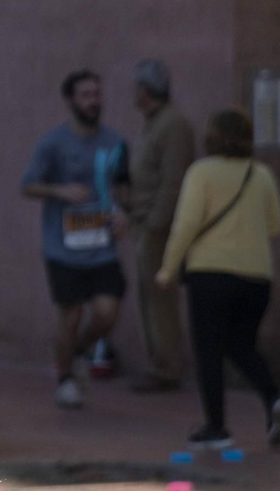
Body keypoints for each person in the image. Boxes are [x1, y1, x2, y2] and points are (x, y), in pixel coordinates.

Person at [157, 108, 280, 449]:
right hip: (257, 278)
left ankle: (216, 429)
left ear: (212, 138)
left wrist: (168, 269)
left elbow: (185, 225)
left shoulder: (201, 173)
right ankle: (274, 399)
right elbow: (276, 225)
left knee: (209, 351)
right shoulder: (261, 175)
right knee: (242, 344)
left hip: (210, 275)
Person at [21, 70, 129, 408]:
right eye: (85, 95)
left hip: (102, 247)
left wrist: (124, 213)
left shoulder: (114, 142)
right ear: (70, 101)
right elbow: (28, 185)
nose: (93, 101)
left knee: (107, 312)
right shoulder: (54, 143)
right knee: (69, 316)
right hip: (63, 248)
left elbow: (125, 187)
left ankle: (78, 353)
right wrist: (60, 190)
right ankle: (66, 378)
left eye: (97, 94)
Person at [126, 60, 195, 393]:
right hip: (143, 223)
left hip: (159, 228)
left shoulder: (173, 124)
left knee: (160, 299)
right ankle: (158, 362)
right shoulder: (152, 123)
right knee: (148, 298)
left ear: (146, 89)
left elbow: (173, 181)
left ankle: (167, 367)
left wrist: (155, 225)